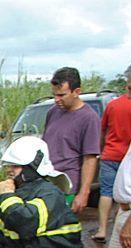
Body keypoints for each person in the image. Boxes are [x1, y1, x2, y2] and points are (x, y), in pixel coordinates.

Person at [42, 67, 101, 213]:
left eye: (62, 95)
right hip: (46, 182)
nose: (57, 100)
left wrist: (83, 193)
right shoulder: (53, 112)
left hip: (67, 186)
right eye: (54, 95)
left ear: (77, 92)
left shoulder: (89, 118)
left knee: (62, 231)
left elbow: (90, 158)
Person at [92, 64, 131, 242]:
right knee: (122, 194)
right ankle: (118, 222)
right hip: (125, 157)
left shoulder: (113, 105)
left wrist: (101, 151)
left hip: (111, 154)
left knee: (107, 192)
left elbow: (102, 131)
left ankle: (101, 229)